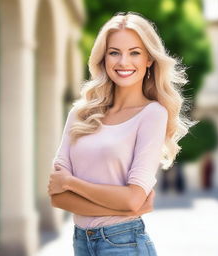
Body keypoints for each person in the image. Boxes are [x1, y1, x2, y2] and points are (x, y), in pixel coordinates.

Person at [48, 11, 193, 256]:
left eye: (134, 52)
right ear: (103, 59)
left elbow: (132, 199)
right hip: (82, 243)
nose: (123, 62)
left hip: (124, 243)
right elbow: (57, 197)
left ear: (149, 59)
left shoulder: (152, 114)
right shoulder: (81, 113)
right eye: (114, 52)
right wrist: (125, 207)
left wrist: (72, 183)